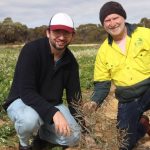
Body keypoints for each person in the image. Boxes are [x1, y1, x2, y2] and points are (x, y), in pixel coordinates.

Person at [3, 12, 82, 150]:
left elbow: (74, 98)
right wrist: (54, 114)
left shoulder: (71, 62)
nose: (62, 37)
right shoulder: (31, 50)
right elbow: (27, 92)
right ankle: (24, 144)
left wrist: (84, 129)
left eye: (67, 33)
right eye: (57, 32)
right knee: (29, 120)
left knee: (74, 136)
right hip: (22, 101)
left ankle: (42, 136)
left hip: (51, 104)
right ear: (48, 33)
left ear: (72, 36)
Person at [83, 1, 150, 150]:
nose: (112, 23)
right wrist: (94, 102)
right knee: (124, 144)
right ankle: (143, 126)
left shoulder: (145, 35)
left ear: (123, 18)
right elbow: (102, 83)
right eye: (107, 20)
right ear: (103, 25)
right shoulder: (103, 51)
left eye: (115, 18)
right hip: (128, 98)